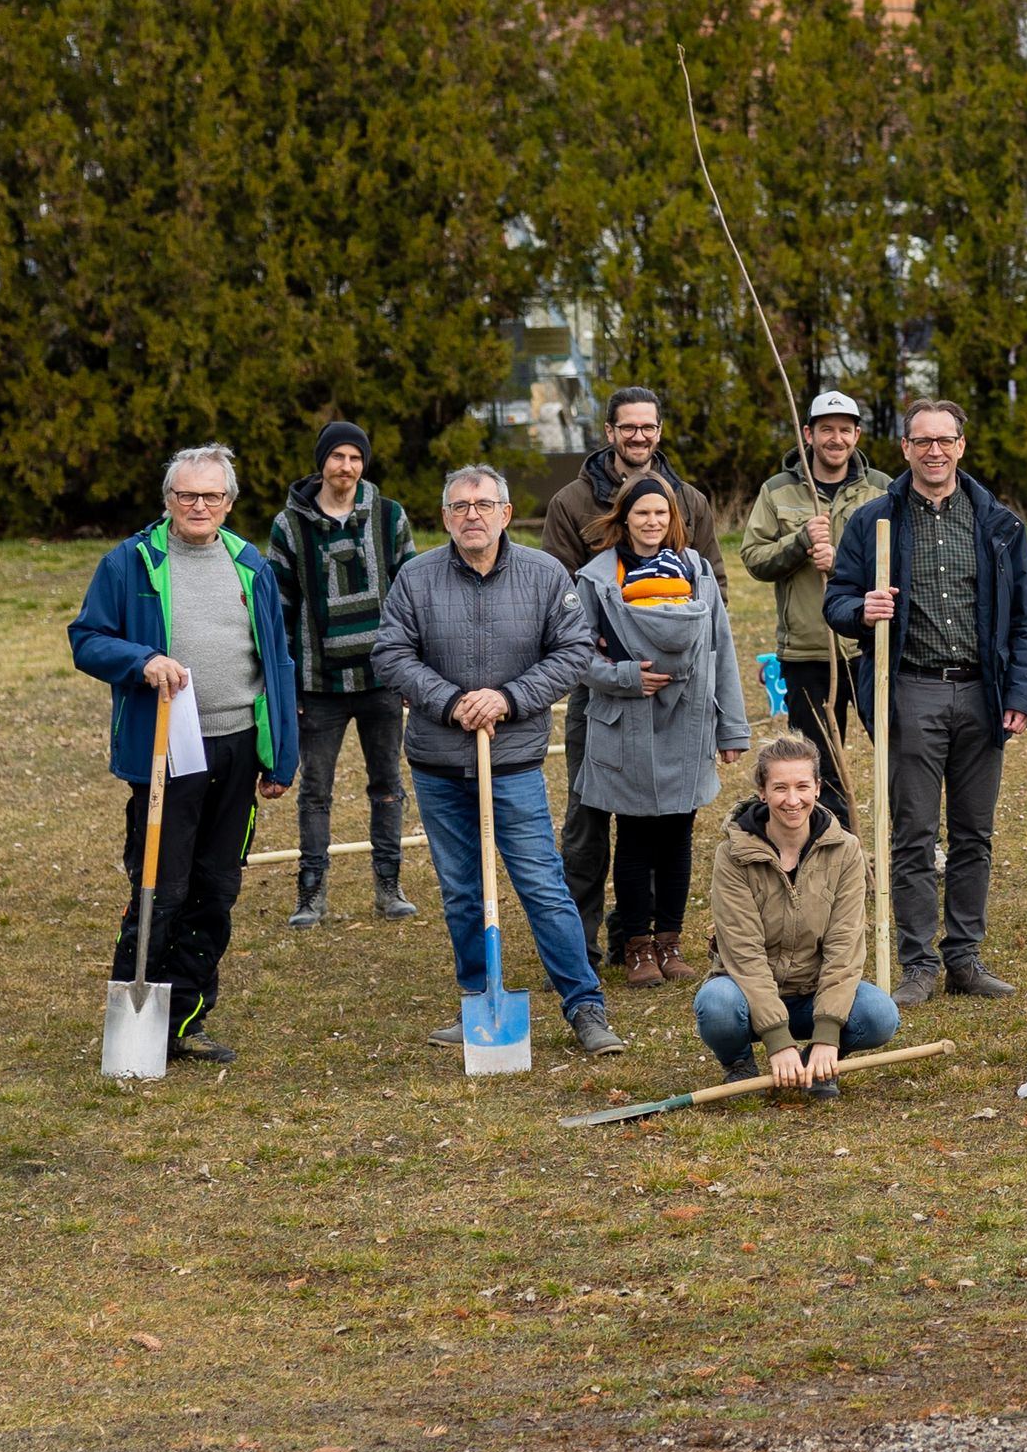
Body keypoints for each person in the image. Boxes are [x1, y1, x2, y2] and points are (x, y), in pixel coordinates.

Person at [373, 464, 622, 1057]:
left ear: (506, 513)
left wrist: (507, 699)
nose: (472, 515)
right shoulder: (416, 577)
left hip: (512, 762)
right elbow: (390, 653)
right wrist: (450, 701)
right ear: (445, 518)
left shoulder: (544, 574)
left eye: (484, 505)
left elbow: (573, 651)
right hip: (438, 763)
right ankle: (478, 999)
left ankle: (584, 1006)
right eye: (460, 506)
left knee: (542, 885)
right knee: (462, 890)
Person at [68, 446, 301, 1065]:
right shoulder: (131, 562)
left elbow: (277, 661)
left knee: (216, 889)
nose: (200, 506)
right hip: (167, 749)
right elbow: (86, 639)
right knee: (160, 888)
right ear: (168, 500)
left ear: (229, 502)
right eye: (187, 495)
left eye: (212, 496)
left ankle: (184, 1021)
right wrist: (141, 660)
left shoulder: (251, 565)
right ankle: (135, 1026)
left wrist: (281, 756)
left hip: (238, 748)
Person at [827, 399, 1027, 1007]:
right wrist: (861, 610)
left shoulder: (998, 524)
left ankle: (964, 959)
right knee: (914, 834)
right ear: (905, 448)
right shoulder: (875, 521)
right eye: (922, 441)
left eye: (944, 440)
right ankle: (918, 964)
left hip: (983, 694)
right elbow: (837, 600)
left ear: (960, 446)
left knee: (974, 833)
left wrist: (1023, 694)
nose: (934, 451)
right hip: (910, 691)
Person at [571, 473, 756, 988]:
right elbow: (575, 654)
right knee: (633, 836)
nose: (652, 522)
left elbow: (721, 647)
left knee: (677, 834)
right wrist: (625, 677)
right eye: (642, 513)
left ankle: (670, 941)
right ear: (624, 518)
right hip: (625, 724)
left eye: (661, 513)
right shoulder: (596, 579)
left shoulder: (697, 571)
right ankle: (636, 946)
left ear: (673, 518)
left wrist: (731, 729)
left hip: (688, 721)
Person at [264, 422, 418, 927]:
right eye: (337, 456)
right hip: (318, 684)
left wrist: (411, 669)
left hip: (382, 679)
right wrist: (285, 686)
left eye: (355, 457)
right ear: (322, 462)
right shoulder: (289, 526)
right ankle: (311, 893)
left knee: (387, 784)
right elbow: (280, 608)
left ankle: (389, 887)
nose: (346, 467)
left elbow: (412, 595)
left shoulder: (390, 517)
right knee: (315, 791)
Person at [695, 736, 902, 1092]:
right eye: (780, 788)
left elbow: (844, 947)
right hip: (746, 993)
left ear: (817, 788)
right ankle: (740, 1065)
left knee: (879, 1016)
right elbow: (744, 953)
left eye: (802, 786)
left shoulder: (846, 850)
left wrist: (827, 1035)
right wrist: (777, 1039)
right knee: (716, 1005)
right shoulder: (732, 855)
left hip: (813, 992)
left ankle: (816, 1063)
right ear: (762, 792)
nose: (793, 800)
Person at [738, 389, 888, 824]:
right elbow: (754, 558)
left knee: (898, 748)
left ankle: (917, 843)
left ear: (857, 435)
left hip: (869, 645)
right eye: (826, 429)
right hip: (806, 650)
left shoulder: (882, 488)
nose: (835, 439)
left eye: (844, 430)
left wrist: (842, 562)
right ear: (808, 434)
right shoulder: (777, 490)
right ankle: (829, 842)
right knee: (815, 763)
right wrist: (799, 541)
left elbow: (905, 559)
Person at [538, 381, 722, 569]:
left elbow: (712, 577)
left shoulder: (691, 502)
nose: (639, 437)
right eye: (628, 428)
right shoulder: (569, 504)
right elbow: (557, 579)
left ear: (659, 431)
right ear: (610, 431)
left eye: (648, 427)